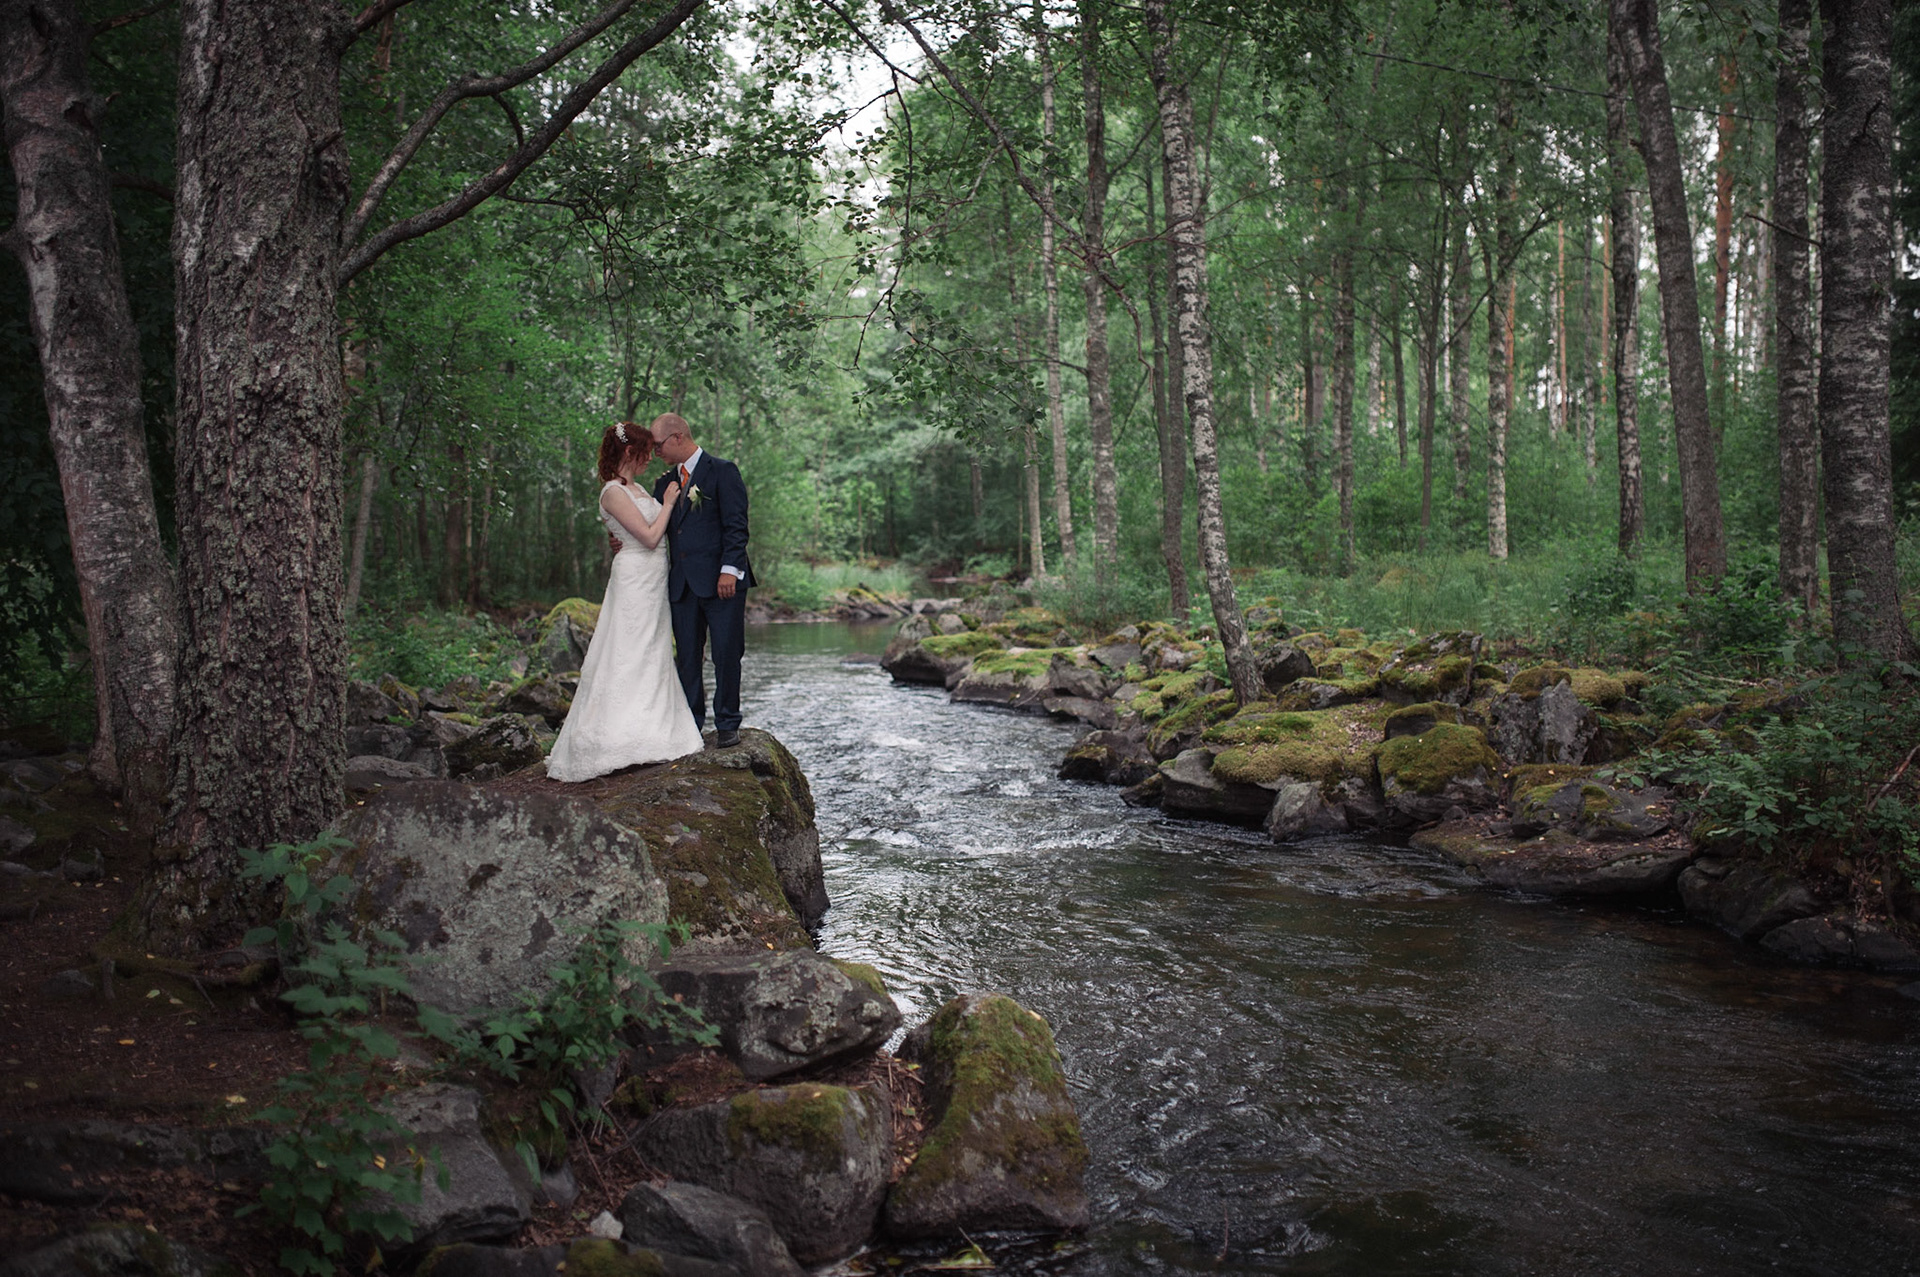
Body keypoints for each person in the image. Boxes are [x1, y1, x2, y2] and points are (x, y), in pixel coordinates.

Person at [546, 422, 704, 781]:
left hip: (653, 579)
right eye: (646, 451)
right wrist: (668, 504)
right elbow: (648, 538)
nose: (651, 457)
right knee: (628, 650)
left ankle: (654, 727)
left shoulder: (637, 488)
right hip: (635, 578)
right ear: (630, 452)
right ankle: (618, 737)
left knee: (652, 649)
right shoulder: (613, 492)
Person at [643, 411, 754, 749]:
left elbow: (737, 526)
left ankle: (728, 723)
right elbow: (652, 526)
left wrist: (729, 570)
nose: (655, 452)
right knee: (688, 658)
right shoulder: (664, 483)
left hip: (723, 583)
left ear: (677, 437)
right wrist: (621, 538)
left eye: (658, 445)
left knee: (726, 653)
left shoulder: (722, 471)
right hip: (682, 585)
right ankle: (691, 723)